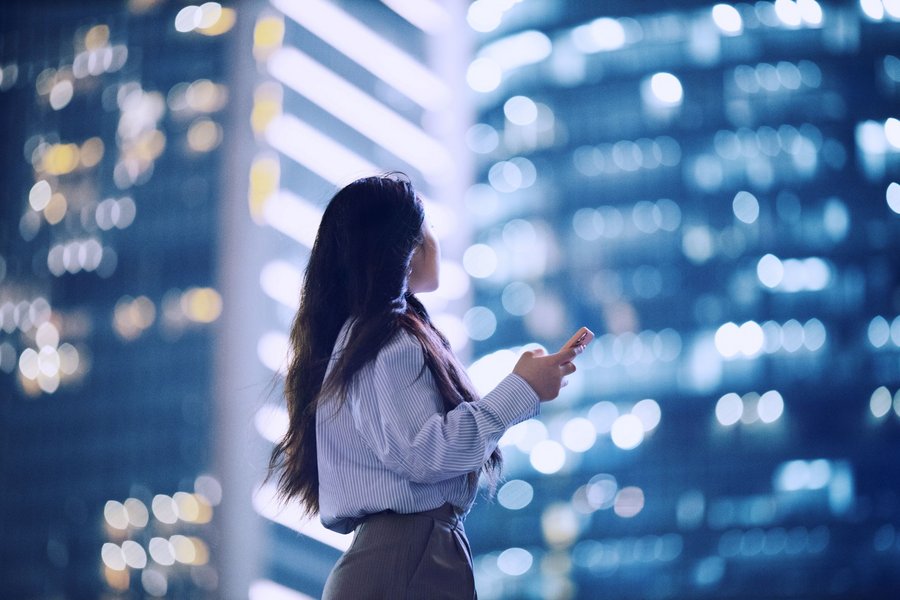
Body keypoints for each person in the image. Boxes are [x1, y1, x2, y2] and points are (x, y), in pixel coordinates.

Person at [265, 173, 585, 599]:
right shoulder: (387, 339)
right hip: (410, 556)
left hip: (398, 557)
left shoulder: (364, 339)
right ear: (406, 250)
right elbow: (425, 453)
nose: (434, 239)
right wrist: (523, 388)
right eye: (427, 228)